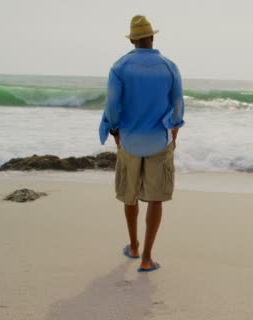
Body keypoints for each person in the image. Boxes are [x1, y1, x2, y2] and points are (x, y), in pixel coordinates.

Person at [99, 15, 184, 272]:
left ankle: (133, 245)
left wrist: (115, 131)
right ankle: (147, 258)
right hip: (159, 140)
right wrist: (174, 134)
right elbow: (177, 106)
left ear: (133, 40)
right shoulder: (169, 66)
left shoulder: (120, 67)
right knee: (155, 198)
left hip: (129, 141)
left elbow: (112, 106)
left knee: (130, 195)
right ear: (152, 38)